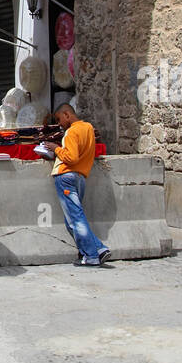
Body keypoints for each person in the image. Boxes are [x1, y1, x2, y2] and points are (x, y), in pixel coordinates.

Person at [40, 101, 110, 268]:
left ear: (67, 115)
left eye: (59, 119)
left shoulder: (71, 132)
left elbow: (71, 157)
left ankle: (91, 255)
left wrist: (56, 149)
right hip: (80, 176)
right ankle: (99, 248)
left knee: (75, 219)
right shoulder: (88, 128)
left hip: (66, 176)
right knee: (74, 218)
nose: (59, 124)